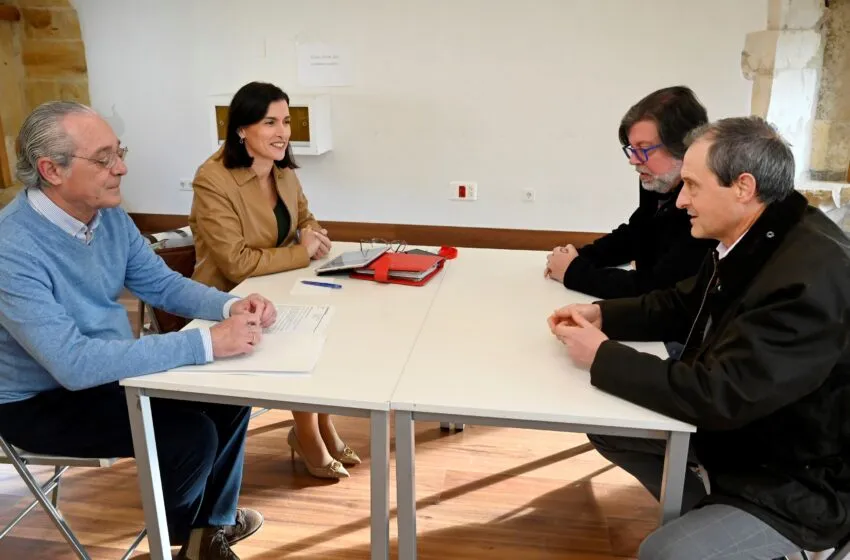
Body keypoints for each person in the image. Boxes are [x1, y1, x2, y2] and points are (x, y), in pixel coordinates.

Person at [549, 116, 850, 559]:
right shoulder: (759, 234)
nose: (681, 200)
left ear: (743, 187)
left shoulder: (805, 279)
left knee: (666, 553)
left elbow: (719, 394)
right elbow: (680, 303)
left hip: (798, 476)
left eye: (692, 185)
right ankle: (712, 514)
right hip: (745, 438)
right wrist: (602, 314)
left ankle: (764, 542)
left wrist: (603, 357)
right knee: (611, 428)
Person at [0, 101, 275, 560]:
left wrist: (230, 303)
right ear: (51, 170)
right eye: (104, 158)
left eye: (119, 152)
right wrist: (205, 341)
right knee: (189, 435)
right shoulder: (12, 248)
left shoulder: (107, 216)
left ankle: (207, 533)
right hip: (35, 402)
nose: (122, 168)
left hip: (103, 375)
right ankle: (186, 537)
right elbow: (72, 365)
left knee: (229, 395)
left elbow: (161, 284)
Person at [189, 81, 357, 480]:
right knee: (300, 337)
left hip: (281, 284)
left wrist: (313, 235)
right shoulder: (213, 179)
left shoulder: (281, 171)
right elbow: (236, 264)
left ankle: (320, 426)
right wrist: (302, 250)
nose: (283, 132)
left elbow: (305, 219)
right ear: (241, 129)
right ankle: (306, 432)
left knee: (325, 325)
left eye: (286, 121)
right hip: (226, 301)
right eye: (269, 122)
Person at [545, 86, 715, 300]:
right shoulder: (659, 181)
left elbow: (656, 289)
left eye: (644, 149)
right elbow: (637, 234)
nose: (633, 160)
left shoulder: (706, 206)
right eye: (632, 149)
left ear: (684, 146)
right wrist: (578, 256)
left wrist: (574, 271)